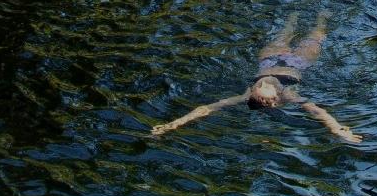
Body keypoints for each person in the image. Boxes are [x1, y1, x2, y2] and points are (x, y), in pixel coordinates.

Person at [151, 15, 360, 144]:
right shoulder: (288, 94)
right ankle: (322, 17)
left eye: (260, 85)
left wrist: (173, 124)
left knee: (286, 31)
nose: (264, 83)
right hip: (296, 63)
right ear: (277, 99)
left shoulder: (246, 96)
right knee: (315, 36)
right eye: (264, 86)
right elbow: (317, 111)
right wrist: (336, 129)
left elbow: (208, 107)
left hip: (269, 60)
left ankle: (294, 17)